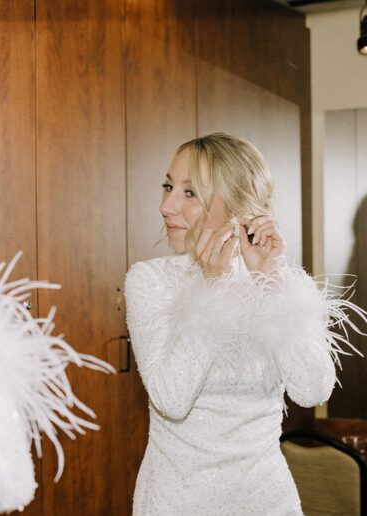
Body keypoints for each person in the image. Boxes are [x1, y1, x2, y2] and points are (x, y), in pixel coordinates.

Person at [124, 133, 364, 515]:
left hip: (267, 499)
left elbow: (313, 389)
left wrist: (271, 282)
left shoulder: (280, 281)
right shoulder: (149, 281)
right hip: (177, 500)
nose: (165, 205)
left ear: (238, 207)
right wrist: (210, 286)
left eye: (189, 193)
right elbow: (171, 398)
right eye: (168, 186)